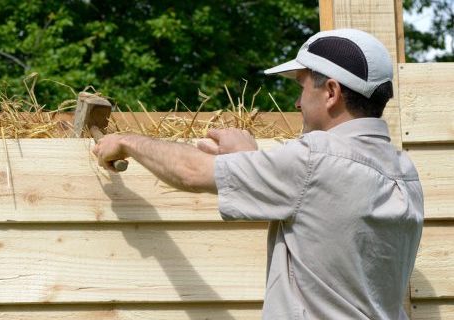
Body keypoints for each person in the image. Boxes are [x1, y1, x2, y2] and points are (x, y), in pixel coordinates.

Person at [92, 28, 423, 319]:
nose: (296, 102)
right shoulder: (404, 173)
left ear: (332, 92)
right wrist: (249, 160)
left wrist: (124, 141)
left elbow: (191, 172)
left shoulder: (313, 160)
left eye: (302, 86)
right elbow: (322, 210)